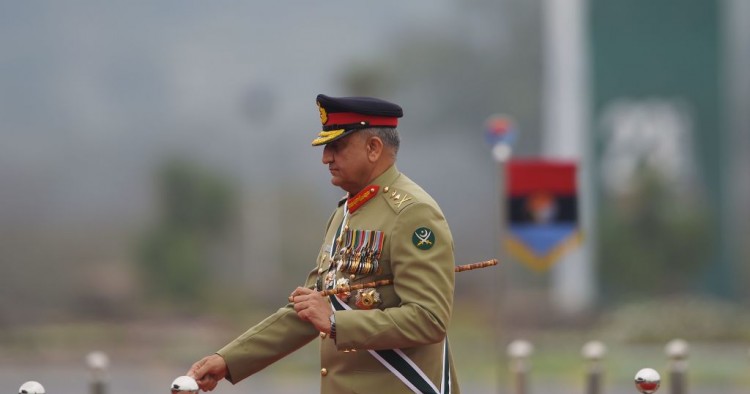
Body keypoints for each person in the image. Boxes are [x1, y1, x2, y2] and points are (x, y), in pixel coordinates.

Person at [187, 94, 460, 393]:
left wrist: (335, 322)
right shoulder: (346, 211)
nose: (326, 158)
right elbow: (310, 309)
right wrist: (228, 360)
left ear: (373, 148)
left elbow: (429, 318)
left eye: (337, 146)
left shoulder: (412, 213)